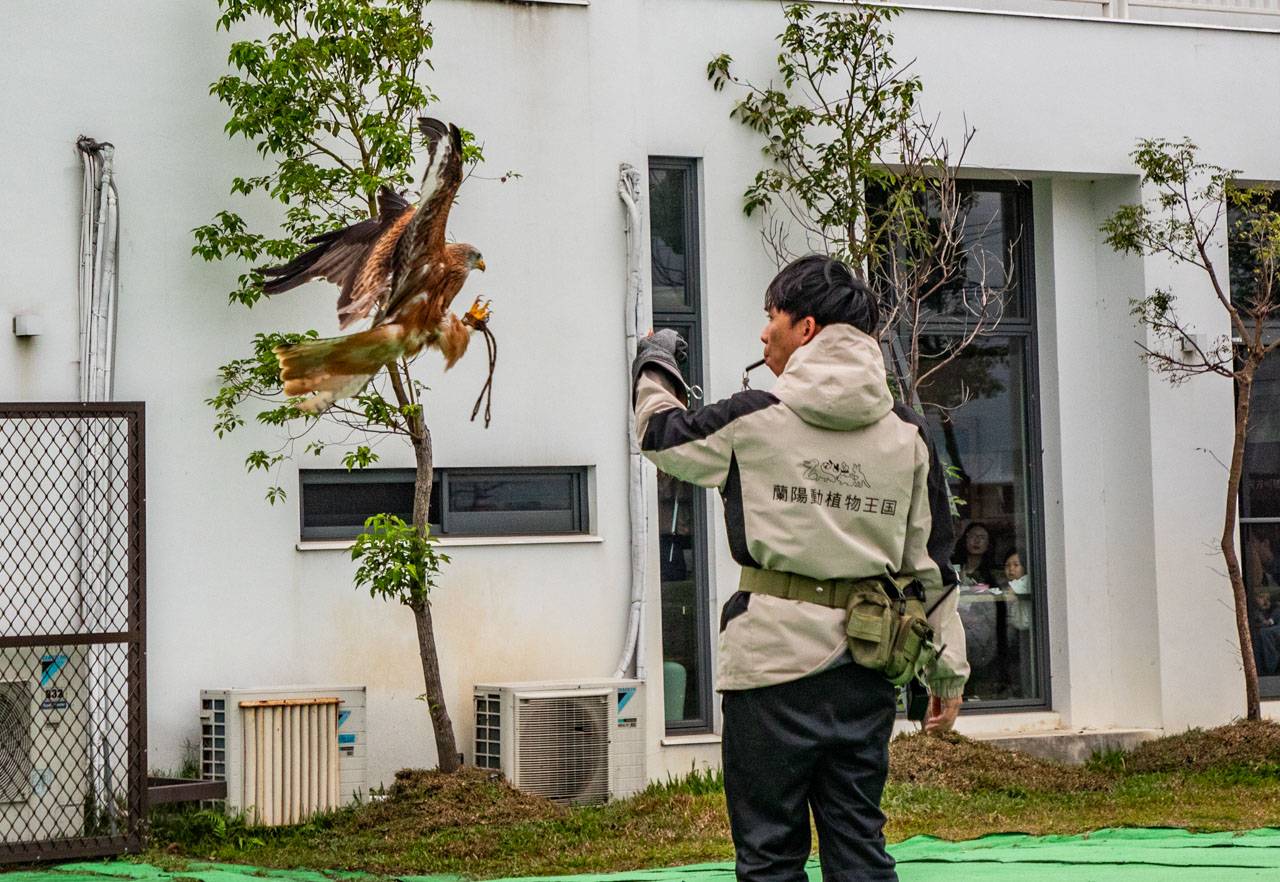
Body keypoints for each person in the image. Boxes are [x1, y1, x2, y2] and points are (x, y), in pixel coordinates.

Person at [631, 254, 968, 882]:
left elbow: (660, 435)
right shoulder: (909, 435)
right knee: (859, 847)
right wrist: (946, 677)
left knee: (769, 855)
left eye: (772, 317)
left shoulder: (753, 416)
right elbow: (934, 569)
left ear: (806, 328)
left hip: (770, 669)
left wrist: (654, 361)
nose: (764, 333)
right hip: (868, 667)